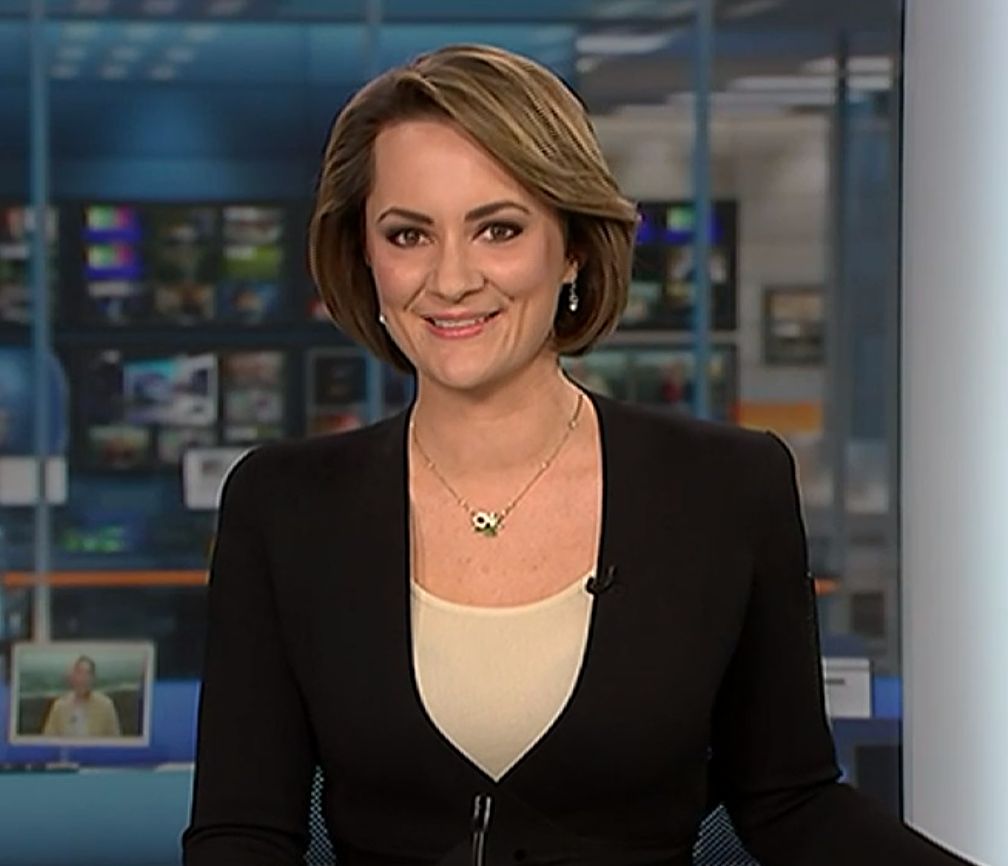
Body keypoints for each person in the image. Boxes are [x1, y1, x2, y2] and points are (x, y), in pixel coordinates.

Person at [183, 44, 975, 866]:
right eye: (409, 234)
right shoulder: (285, 506)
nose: (450, 279)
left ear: (572, 248)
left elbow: (791, 801)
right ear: (365, 256)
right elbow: (243, 831)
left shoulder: (727, 490)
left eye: (498, 229)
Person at [41, 655, 121, 738]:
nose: (83, 679)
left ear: (93, 678)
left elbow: (115, 740)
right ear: (72, 678)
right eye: (79, 673)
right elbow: (48, 739)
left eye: (87, 674)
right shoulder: (59, 707)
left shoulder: (106, 706)